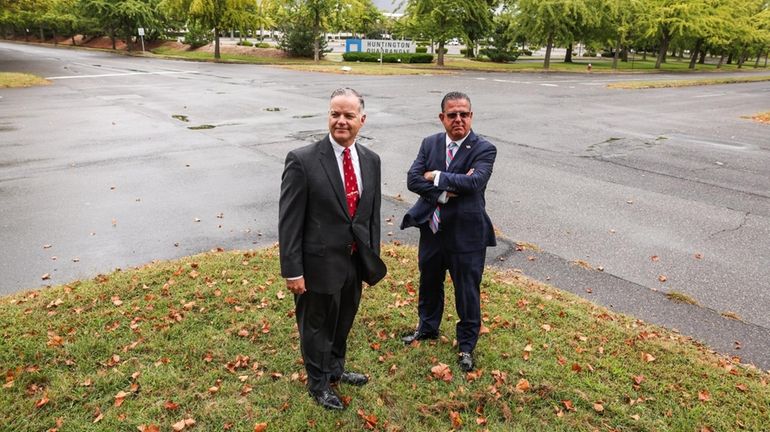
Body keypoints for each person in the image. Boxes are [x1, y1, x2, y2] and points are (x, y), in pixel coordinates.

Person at [279, 88, 386, 410]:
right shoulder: (303, 160)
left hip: (354, 261)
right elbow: (289, 221)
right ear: (328, 116)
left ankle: (336, 369)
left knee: (344, 320)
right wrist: (293, 270)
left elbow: (372, 213)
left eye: (348, 115)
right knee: (316, 326)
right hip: (317, 265)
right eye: (335, 114)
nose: (341, 121)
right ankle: (318, 383)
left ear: (361, 120)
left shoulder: (371, 160)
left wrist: (371, 256)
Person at [400, 91, 497, 372]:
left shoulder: (484, 149)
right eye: (452, 114)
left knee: (467, 291)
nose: (458, 120)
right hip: (433, 231)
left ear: (471, 116)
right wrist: (444, 193)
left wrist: (436, 176)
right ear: (442, 117)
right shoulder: (429, 144)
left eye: (463, 114)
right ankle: (427, 328)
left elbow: (474, 183)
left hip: (466, 236)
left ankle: (466, 346)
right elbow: (412, 180)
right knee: (429, 283)